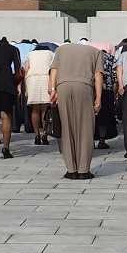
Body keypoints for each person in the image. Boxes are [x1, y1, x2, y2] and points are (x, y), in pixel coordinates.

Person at [49, 40, 103, 180]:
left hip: (63, 86)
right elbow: (98, 75)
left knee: (67, 127)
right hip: (84, 86)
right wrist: (98, 98)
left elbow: (54, 70)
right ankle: (83, 170)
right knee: (85, 128)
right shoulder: (95, 52)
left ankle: (71, 170)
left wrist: (53, 90)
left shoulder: (60, 50)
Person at [23, 42, 55, 146]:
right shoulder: (51, 53)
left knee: (35, 109)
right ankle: (45, 134)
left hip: (33, 79)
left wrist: (27, 88)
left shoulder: (31, 54)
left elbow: (26, 71)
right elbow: (53, 69)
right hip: (46, 78)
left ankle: (37, 134)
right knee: (45, 110)